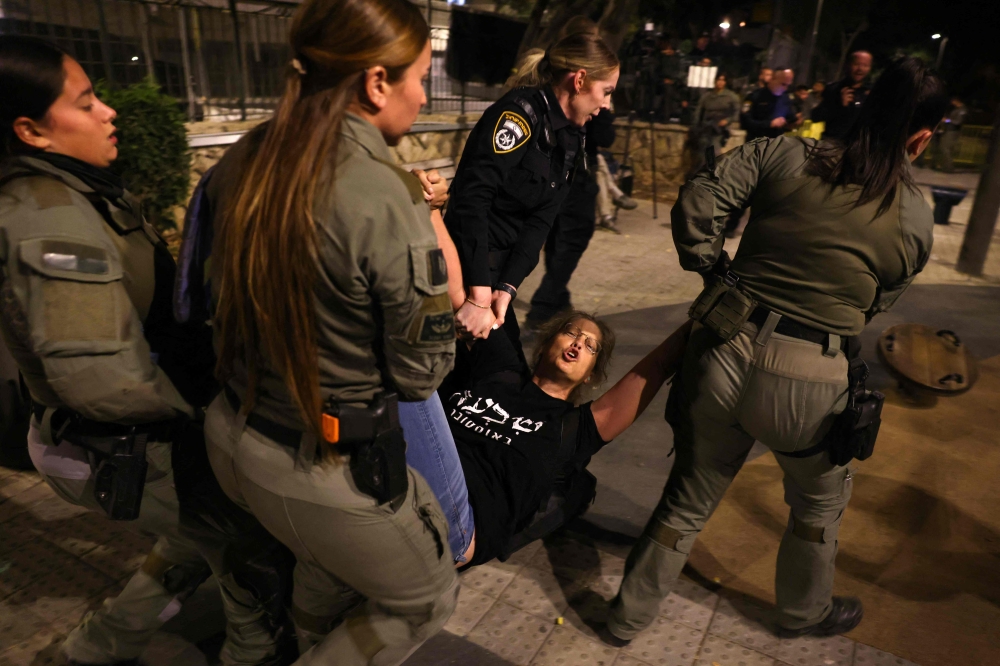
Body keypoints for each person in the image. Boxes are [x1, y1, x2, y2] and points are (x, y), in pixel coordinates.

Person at [606, 57, 948, 644]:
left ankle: (627, 615)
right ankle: (802, 612)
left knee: (689, 495)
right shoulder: (914, 212)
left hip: (721, 351)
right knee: (816, 509)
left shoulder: (785, 154)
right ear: (921, 137)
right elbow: (880, 299)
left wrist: (717, 275)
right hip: (812, 377)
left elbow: (699, 203)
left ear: (861, 105)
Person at [0, 36, 286, 666]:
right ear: (32, 130)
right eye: (86, 102)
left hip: (118, 432)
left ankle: (91, 650)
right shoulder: (51, 219)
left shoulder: (72, 191)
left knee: (192, 538)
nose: (109, 111)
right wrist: (208, 413)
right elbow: (100, 382)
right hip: (116, 439)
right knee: (245, 543)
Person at [200, 0, 461, 663]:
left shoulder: (250, 154)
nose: (423, 93)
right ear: (377, 82)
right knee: (424, 597)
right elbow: (421, 374)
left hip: (233, 430)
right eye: (420, 75)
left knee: (323, 565)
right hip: (323, 465)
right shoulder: (381, 193)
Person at [412, 307, 692, 566]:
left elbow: (657, 366)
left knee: (409, 390)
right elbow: (477, 303)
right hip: (413, 480)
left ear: (589, 376)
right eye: (571, 332)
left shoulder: (573, 429)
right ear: (545, 344)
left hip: (462, 522)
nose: (579, 343)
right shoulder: (501, 372)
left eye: (591, 346)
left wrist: (705, 314)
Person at [444, 32, 620, 366]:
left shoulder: (570, 135)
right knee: (496, 380)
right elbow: (472, 201)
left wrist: (507, 289)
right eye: (606, 91)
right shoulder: (517, 117)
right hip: (463, 269)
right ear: (580, 80)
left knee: (500, 381)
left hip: (495, 281)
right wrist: (479, 295)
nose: (607, 104)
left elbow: (542, 220)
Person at [687, 72, 741, 178]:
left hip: (719, 129)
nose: (720, 82)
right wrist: (695, 127)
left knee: (715, 152)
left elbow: (736, 113)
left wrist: (727, 120)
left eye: (723, 80)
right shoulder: (707, 96)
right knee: (701, 155)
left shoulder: (731, 96)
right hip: (706, 127)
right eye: (718, 79)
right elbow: (698, 113)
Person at [811, 51, 873, 140]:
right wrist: (839, 105)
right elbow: (815, 117)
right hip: (832, 144)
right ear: (848, 65)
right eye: (856, 64)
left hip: (858, 147)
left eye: (865, 65)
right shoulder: (833, 89)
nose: (860, 69)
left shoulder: (872, 92)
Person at [741, 67, 797, 141]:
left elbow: (790, 117)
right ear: (772, 79)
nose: (785, 88)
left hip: (775, 144)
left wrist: (793, 122)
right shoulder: (756, 96)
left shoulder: (785, 98)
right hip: (756, 142)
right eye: (783, 84)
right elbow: (745, 122)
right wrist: (769, 124)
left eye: (788, 85)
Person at [656, 39, 687, 122]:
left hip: (677, 82)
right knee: (667, 89)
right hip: (662, 83)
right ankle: (666, 116)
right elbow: (657, 72)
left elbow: (680, 73)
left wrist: (674, 81)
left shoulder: (677, 59)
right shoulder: (660, 58)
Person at [935, 96, 967, 173]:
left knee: (945, 148)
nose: (951, 102)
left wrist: (947, 120)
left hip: (952, 131)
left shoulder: (962, 110)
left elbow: (957, 122)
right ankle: (946, 166)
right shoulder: (957, 109)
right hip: (950, 130)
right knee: (945, 148)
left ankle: (948, 167)